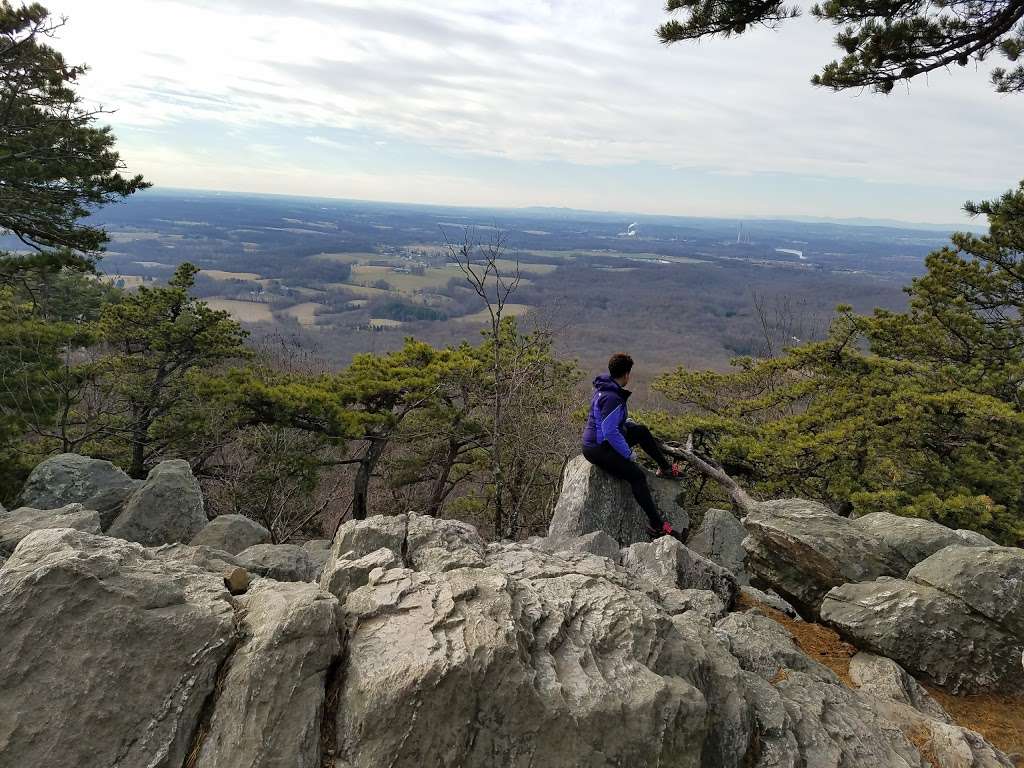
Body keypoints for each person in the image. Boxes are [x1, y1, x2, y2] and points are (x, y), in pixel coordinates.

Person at [581, 352, 685, 540]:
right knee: (637, 476)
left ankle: (666, 468)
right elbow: (609, 432)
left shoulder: (605, 388)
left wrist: (625, 423)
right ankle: (657, 525)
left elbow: (606, 421)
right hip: (599, 449)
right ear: (627, 374)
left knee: (640, 431)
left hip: (598, 442)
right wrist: (628, 454)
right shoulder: (612, 396)